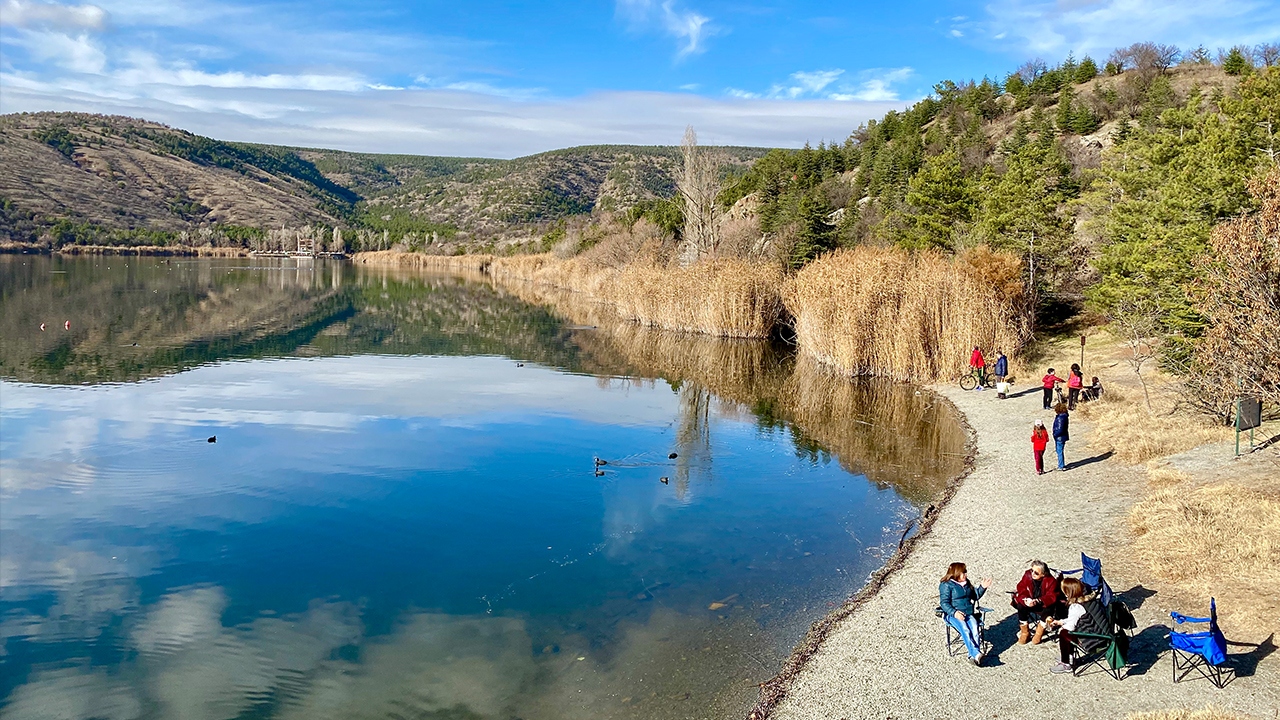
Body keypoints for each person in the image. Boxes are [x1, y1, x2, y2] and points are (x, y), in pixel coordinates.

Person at [1049, 577, 1109, 674]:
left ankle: (1066, 663)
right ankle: (1069, 657)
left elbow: (1070, 627)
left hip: (1095, 639)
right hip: (1103, 633)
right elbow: (1075, 619)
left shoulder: (1076, 606)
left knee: (1064, 634)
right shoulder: (1088, 599)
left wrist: (1061, 627)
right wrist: (1061, 622)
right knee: (1066, 631)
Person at [939, 562, 992, 666]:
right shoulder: (946, 585)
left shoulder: (967, 584)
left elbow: (975, 596)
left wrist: (982, 587)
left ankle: (973, 656)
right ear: (956, 573)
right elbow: (944, 603)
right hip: (952, 614)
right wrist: (954, 613)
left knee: (975, 630)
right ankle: (976, 653)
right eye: (963, 572)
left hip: (968, 613)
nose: (966, 574)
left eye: (966, 572)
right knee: (965, 629)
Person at [1012, 560, 1061, 644]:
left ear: (1043, 574)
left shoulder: (1051, 581)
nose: (1033, 574)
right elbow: (1021, 588)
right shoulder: (1027, 575)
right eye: (1032, 570)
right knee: (1021, 605)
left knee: (1049, 607)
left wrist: (1038, 601)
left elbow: (1051, 596)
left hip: (1042, 605)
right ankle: (1025, 632)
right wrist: (1025, 599)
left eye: (1036, 573)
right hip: (1029, 601)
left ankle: (1039, 632)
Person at [1053, 403, 1070, 471]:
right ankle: (1061, 464)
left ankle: (1061, 466)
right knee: (1059, 450)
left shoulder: (1060, 417)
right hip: (1063, 436)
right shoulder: (1065, 416)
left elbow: (1060, 429)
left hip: (1059, 437)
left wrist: (1055, 434)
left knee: (1059, 451)